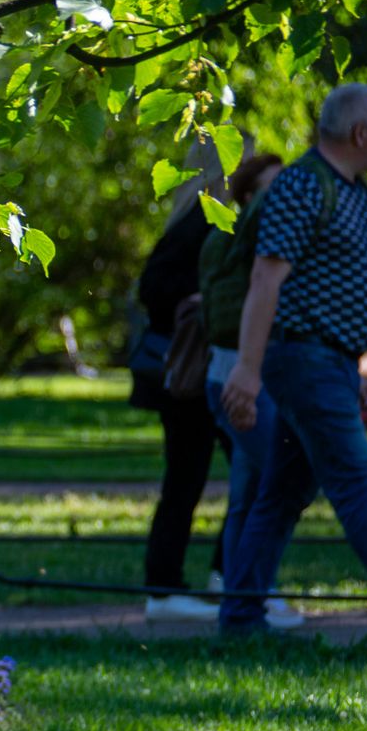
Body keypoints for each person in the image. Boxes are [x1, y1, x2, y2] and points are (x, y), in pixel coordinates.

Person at [221, 84, 367, 639]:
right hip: (303, 360)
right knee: (358, 483)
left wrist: (352, 364)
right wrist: (247, 370)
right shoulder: (301, 186)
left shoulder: (356, 195)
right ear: (360, 133)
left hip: (330, 362)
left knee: (282, 493)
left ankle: (238, 621)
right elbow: (266, 278)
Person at [197, 151, 305, 630]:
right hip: (247, 376)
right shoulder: (252, 234)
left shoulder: (221, 240)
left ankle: (241, 596)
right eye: (272, 186)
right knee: (275, 489)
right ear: (249, 196)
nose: (281, 194)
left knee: (250, 491)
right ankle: (252, 597)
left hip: (229, 374)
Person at [131, 148, 233, 621]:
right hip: (191, 376)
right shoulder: (202, 216)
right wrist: (201, 296)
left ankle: (203, 577)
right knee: (199, 478)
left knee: (210, 477)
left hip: (197, 374)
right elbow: (152, 287)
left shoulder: (211, 216)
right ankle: (175, 584)